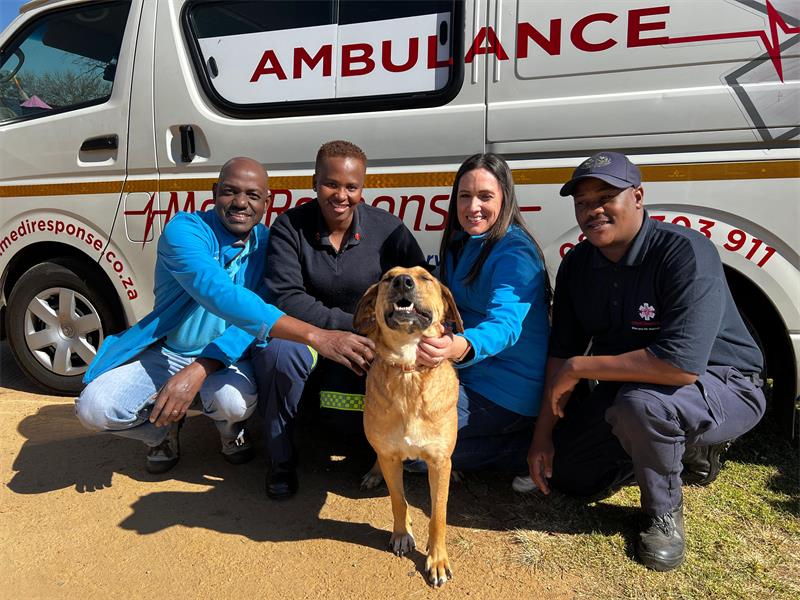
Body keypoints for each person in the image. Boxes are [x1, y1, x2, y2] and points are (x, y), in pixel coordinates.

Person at [527, 151, 766, 571]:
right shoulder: (578, 264)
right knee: (570, 476)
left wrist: (581, 369)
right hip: (634, 386)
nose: (592, 210)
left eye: (606, 197)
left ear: (637, 196)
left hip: (723, 382)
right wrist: (542, 437)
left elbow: (680, 366)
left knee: (642, 405)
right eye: (582, 202)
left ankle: (663, 513)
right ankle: (672, 449)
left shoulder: (685, 251)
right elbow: (561, 351)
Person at [76, 157, 373, 474]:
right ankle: (160, 433)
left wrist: (199, 369)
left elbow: (253, 319)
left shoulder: (269, 245)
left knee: (233, 403)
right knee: (94, 409)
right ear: (215, 192)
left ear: (266, 202)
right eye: (230, 192)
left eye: (252, 195)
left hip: (226, 357)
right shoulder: (186, 230)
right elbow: (217, 292)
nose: (241, 203)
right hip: (168, 351)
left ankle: (232, 434)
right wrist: (317, 336)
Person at [253, 140, 426, 500]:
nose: (341, 195)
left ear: (363, 188)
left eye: (351, 187)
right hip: (309, 336)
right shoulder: (290, 227)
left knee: (354, 411)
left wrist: (379, 335)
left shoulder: (388, 230)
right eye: (331, 184)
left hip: (369, 342)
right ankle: (281, 460)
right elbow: (286, 296)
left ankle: (385, 449)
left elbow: (418, 287)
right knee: (278, 355)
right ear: (314, 182)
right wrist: (344, 329)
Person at [415, 153, 550, 482]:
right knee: (398, 427)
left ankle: (522, 451)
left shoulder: (515, 252)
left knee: (416, 454)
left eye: (485, 196)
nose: (473, 206)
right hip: (467, 374)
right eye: (465, 196)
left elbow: (505, 325)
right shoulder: (461, 242)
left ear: (505, 198)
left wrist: (455, 346)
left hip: (507, 388)